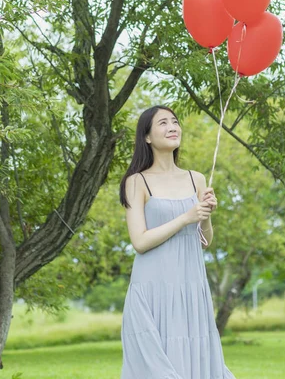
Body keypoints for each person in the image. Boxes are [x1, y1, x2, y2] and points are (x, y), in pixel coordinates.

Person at [119, 105, 237, 379]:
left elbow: (205, 240)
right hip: (153, 289)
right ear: (147, 137)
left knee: (193, 364)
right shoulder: (136, 182)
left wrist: (205, 214)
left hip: (190, 287)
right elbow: (140, 241)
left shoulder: (195, 178)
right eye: (163, 123)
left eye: (174, 121)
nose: (172, 127)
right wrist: (186, 217)